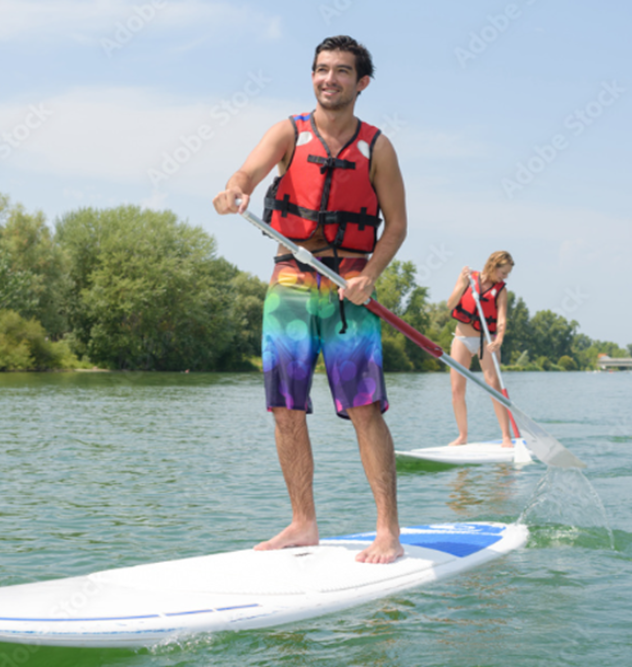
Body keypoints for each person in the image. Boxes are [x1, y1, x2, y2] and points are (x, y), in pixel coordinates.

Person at [212, 35, 408, 564]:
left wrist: (370, 274)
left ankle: (387, 530)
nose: (329, 79)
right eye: (322, 69)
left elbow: (397, 227)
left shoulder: (377, 147)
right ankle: (303, 523)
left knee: (366, 408)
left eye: (342, 71)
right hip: (291, 281)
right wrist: (235, 189)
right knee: (284, 408)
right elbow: (247, 172)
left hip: (349, 286)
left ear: (361, 83)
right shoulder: (287, 131)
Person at [446, 252, 515, 448]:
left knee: (493, 386)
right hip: (462, 338)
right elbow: (450, 304)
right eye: (504, 272)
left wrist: (499, 339)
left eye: (508, 273)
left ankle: (506, 437)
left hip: (487, 340)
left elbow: (501, 318)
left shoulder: (501, 290)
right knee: (457, 390)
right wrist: (461, 284)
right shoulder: (469, 278)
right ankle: (462, 436)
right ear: (493, 266)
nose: (506, 276)